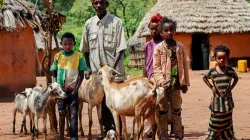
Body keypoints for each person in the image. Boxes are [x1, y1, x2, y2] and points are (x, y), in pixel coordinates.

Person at [80, 0, 127, 138]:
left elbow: (121, 48)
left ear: (106, 4)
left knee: (116, 103)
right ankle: (108, 131)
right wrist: (88, 67)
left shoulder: (116, 23)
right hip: (97, 74)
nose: (98, 5)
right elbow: (86, 50)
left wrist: (111, 69)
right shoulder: (88, 24)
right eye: (95, 3)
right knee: (102, 102)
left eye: (101, 2)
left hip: (114, 73)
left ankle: (119, 131)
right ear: (93, 5)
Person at [153, 17, 190, 140]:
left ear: (175, 30)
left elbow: (184, 65)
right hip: (163, 85)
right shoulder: (158, 48)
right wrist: (161, 81)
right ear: (161, 32)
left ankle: (178, 133)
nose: (169, 32)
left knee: (177, 109)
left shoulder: (180, 47)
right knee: (162, 110)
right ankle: (163, 134)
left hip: (177, 84)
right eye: (166, 30)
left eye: (171, 29)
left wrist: (185, 82)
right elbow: (156, 67)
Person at [51, 32, 88, 140]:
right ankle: (62, 137)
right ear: (61, 44)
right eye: (65, 44)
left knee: (73, 114)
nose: (67, 46)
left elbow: (81, 75)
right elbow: (54, 71)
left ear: (74, 44)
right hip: (60, 91)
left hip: (73, 91)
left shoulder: (78, 56)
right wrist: (55, 86)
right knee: (61, 113)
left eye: (70, 44)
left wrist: (76, 90)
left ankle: (73, 137)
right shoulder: (58, 56)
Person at [203, 45, 238, 140]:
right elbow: (204, 78)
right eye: (219, 58)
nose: (222, 60)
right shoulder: (212, 71)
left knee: (227, 118)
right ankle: (213, 135)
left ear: (227, 58)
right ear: (215, 58)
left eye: (224, 58)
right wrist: (211, 87)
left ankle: (227, 135)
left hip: (227, 101)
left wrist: (231, 87)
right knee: (215, 118)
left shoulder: (230, 70)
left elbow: (236, 78)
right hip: (216, 101)